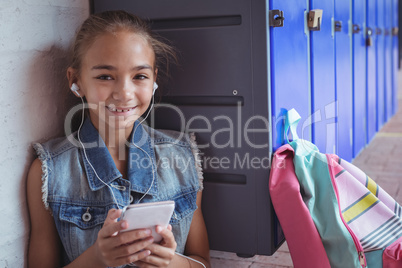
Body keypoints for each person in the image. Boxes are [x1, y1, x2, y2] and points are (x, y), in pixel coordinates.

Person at [27, 10, 210, 268]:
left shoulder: (183, 157)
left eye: (139, 76)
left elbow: (202, 261)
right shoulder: (49, 172)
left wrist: (173, 264)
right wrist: (97, 259)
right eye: (105, 76)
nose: (124, 93)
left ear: (154, 79)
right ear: (75, 80)